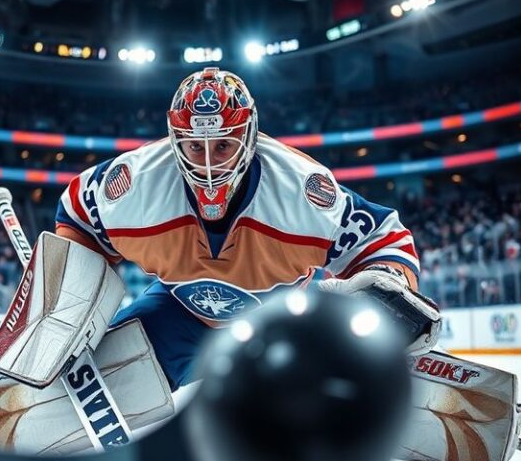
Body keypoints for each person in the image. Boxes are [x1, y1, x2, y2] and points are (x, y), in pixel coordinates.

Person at [54, 67, 435, 391]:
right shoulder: (134, 182)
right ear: (175, 141)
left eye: (223, 145)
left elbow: (382, 238)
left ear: (248, 136)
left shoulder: (302, 189)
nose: (209, 164)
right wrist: (64, 308)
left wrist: (386, 286)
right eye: (195, 147)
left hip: (286, 320)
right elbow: (78, 217)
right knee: (75, 390)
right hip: (179, 316)